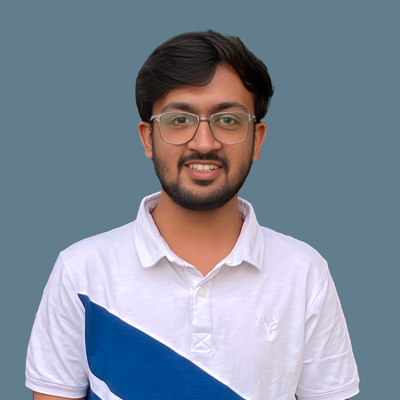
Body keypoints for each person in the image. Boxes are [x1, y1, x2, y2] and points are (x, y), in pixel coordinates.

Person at [26, 30, 359, 400]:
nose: (204, 143)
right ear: (148, 138)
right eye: (179, 120)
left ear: (257, 139)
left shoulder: (304, 272)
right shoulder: (81, 271)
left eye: (228, 120)